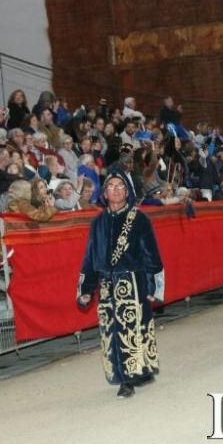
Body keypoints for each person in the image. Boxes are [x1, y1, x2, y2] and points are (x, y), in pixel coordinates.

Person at [76, 170, 164, 399]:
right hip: (106, 286)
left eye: (119, 186)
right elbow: (90, 257)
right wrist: (86, 289)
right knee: (110, 332)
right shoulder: (98, 222)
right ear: (104, 193)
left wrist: (153, 287)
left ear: (127, 191)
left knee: (132, 330)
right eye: (110, 187)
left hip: (133, 284)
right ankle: (123, 374)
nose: (115, 191)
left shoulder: (139, 219)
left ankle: (130, 378)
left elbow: (151, 256)